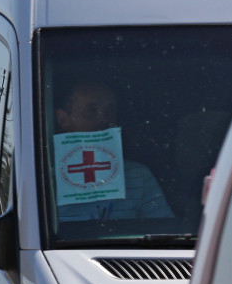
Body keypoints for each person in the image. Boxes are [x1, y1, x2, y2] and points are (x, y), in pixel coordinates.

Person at [53, 79, 172, 221]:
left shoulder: (138, 176)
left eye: (110, 111)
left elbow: (161, 231)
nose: (103, 119)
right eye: (91, 111)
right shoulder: (44, 179)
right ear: (63, 120)